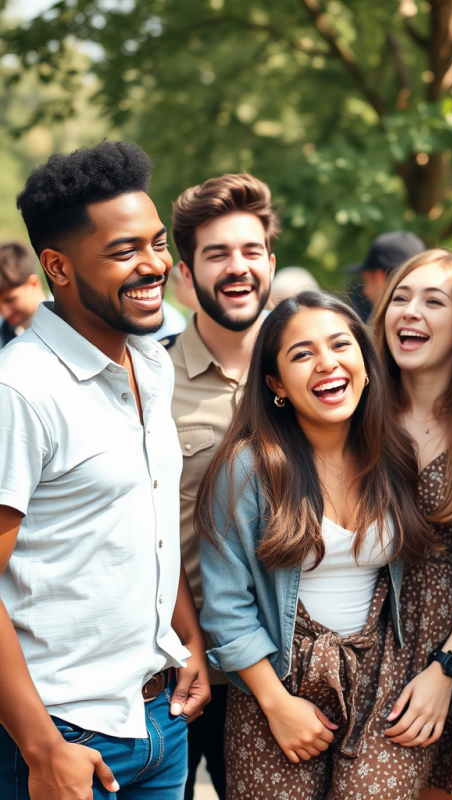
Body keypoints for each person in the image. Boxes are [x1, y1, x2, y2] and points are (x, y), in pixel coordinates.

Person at [0, 140, 210, 800]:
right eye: (125, 251)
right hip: (61, 737)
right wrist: (41, 749)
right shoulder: (21, 391)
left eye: (156, 242)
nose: (155, 265)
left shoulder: (150, 362)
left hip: (159, 723)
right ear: (57, 267)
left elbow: (145, 522)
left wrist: (189, 640)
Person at [196, 291, 435, 800]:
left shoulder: (392, 456)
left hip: (379, 682)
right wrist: (276, 704)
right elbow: (226, 608)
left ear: (366, 365)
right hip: (276, 685)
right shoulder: (249, 468)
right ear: (276, 383)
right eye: (302, 354)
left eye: (340, 345)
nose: (327, 363)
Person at [166, 172, 279, 800]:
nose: (237, 268)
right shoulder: (149, 384)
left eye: (250, 251)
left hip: (287, 675)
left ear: (270, 261)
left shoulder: (316, 371)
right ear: (186, 273)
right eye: (216, 254)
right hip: (183, 673)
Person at [371, 248, 452, 799]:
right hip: (354, 626)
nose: (409, 312)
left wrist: (448, 665)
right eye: (400, 297)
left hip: (443, 635)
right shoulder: (359, 407)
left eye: (432, 301)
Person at [346, 231, 425, 321]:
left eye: (366, 280)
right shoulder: (434, 320)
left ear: (379, 277)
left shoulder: (380, 328)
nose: (365, 291)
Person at [0, 242, 47, 348]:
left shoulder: (71, 322)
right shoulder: (4, 333)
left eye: (10, 300)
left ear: (33, 284)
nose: (5, 312)